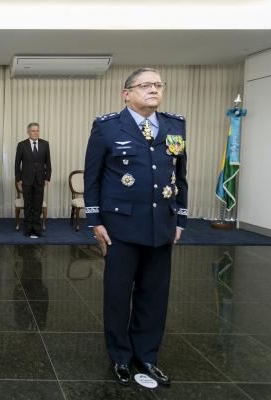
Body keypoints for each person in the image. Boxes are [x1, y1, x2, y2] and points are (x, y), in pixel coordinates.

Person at [83, 67, 188, 386]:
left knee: (154, 295)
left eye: (158, 85)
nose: (154, 90)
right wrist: (95, 220)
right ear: (126, 93)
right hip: (121, 226)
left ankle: (147, 355)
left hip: (161, 225)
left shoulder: (174, 125)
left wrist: (180, 217)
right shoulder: (107, 127)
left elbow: (179, 175)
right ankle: (120, 357)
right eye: (145, 85)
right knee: (117, 294)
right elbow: (93, 177)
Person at [14, 122, 51, 236]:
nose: (36, 133)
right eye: (33, 131)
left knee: (38, 205)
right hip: (26, 180)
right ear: (28, 132)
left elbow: (48, 163)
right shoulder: (22, 145)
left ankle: (37, 228)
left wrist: (47, 177)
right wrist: (19, 178)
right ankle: (28, 229)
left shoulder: (45, 144)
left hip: (40, 180)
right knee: (28, 205)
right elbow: (17, 164)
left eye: (37, 130)